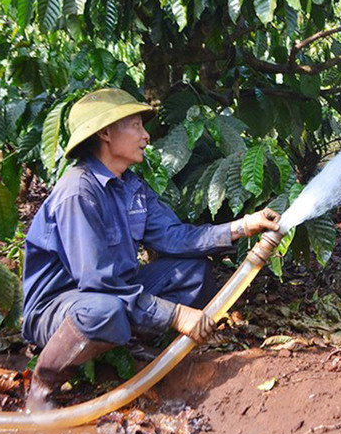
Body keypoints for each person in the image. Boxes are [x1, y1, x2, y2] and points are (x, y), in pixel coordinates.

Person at [22, 88, 280, 412]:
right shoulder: (78, 192)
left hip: (112, 296)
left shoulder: (131, 186)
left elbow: (176, 237)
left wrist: (243, 226)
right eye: (136, 126)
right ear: (105, 133)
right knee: (104, 311)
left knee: (193, 273)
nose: (146, 136)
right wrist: (175, 314)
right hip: (62, 309)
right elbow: (99, 282)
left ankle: (132, 351)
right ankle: (43, 384)